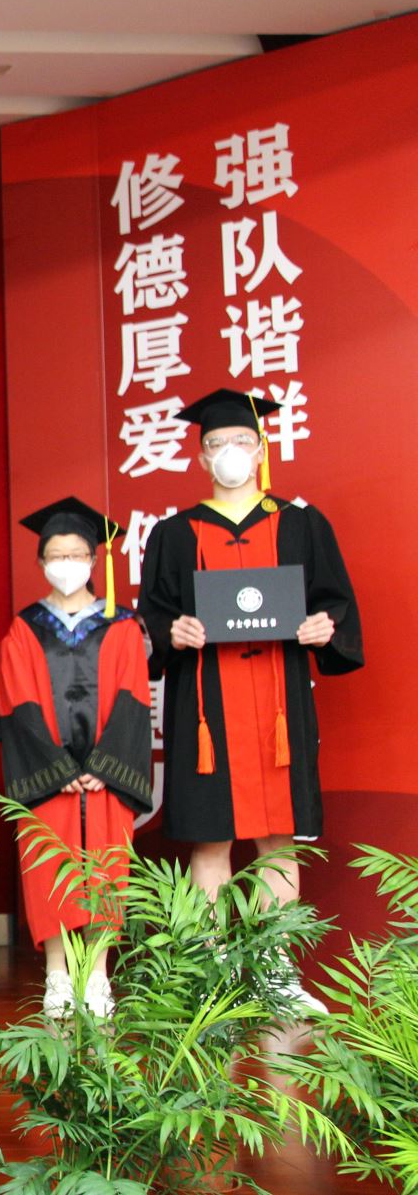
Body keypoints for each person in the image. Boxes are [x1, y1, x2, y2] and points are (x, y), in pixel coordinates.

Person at [139, 388, 362, 1010]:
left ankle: (275, 974)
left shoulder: (301, 525)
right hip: (204, 708)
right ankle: (208, 975)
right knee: (210, 840)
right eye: (217, 444)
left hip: (278, 705)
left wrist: (323, 627)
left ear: (261, 449)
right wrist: (172, 632)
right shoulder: (175, 534)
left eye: (241, 441)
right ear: (201, 456)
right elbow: (151, 617)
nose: (230, 452)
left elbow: (335, 603)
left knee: (277, 839)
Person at [0, 497, 153, 1018]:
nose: (67, 564)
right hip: (52, 779)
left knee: (106, 869)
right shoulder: (25, 628)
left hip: (104, 777)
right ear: (41, 562)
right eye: (56, 556)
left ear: (94, 559)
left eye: (77, 555)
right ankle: (58, 974)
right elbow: (18, 702)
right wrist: (57, 768)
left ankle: (99, 974)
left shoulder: (122, 624)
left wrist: (104, 767)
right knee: (49, 870)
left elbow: (133, 699)